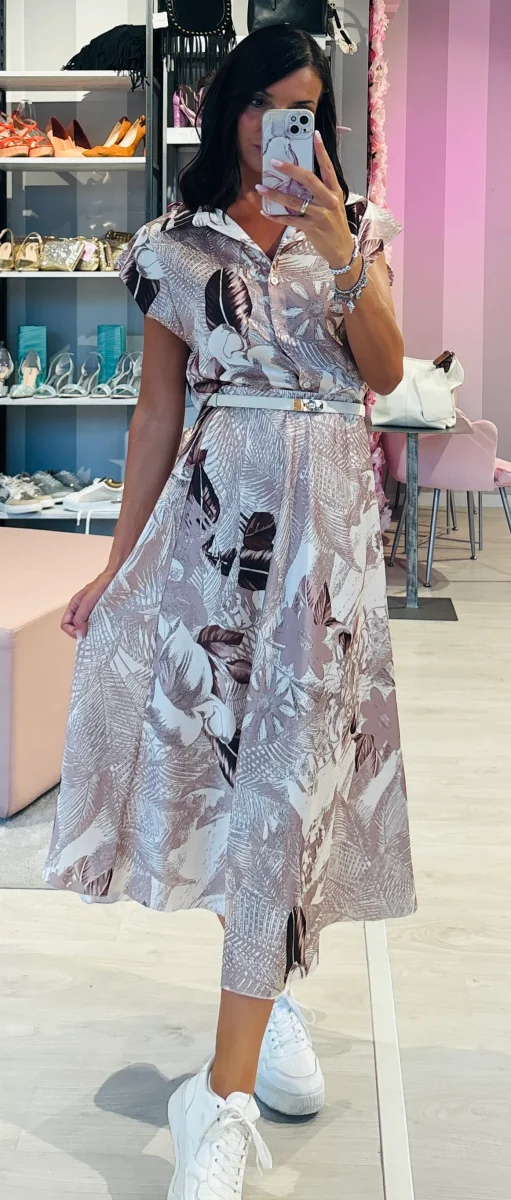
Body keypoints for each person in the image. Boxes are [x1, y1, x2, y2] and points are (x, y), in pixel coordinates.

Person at [45, 25, 416, 1199]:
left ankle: (223, 1085)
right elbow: (155, 415)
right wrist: (115, 567)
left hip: (328, 556)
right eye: (258, 105)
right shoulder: (172, 244)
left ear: (323, 122)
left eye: (298, 108)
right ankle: (253, 1035)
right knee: (241, 785)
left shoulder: (353, 230)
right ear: (225, 110)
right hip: (216, 544)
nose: (275, 128)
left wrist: (338, 246)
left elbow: (385, 370)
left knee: (291, 793)